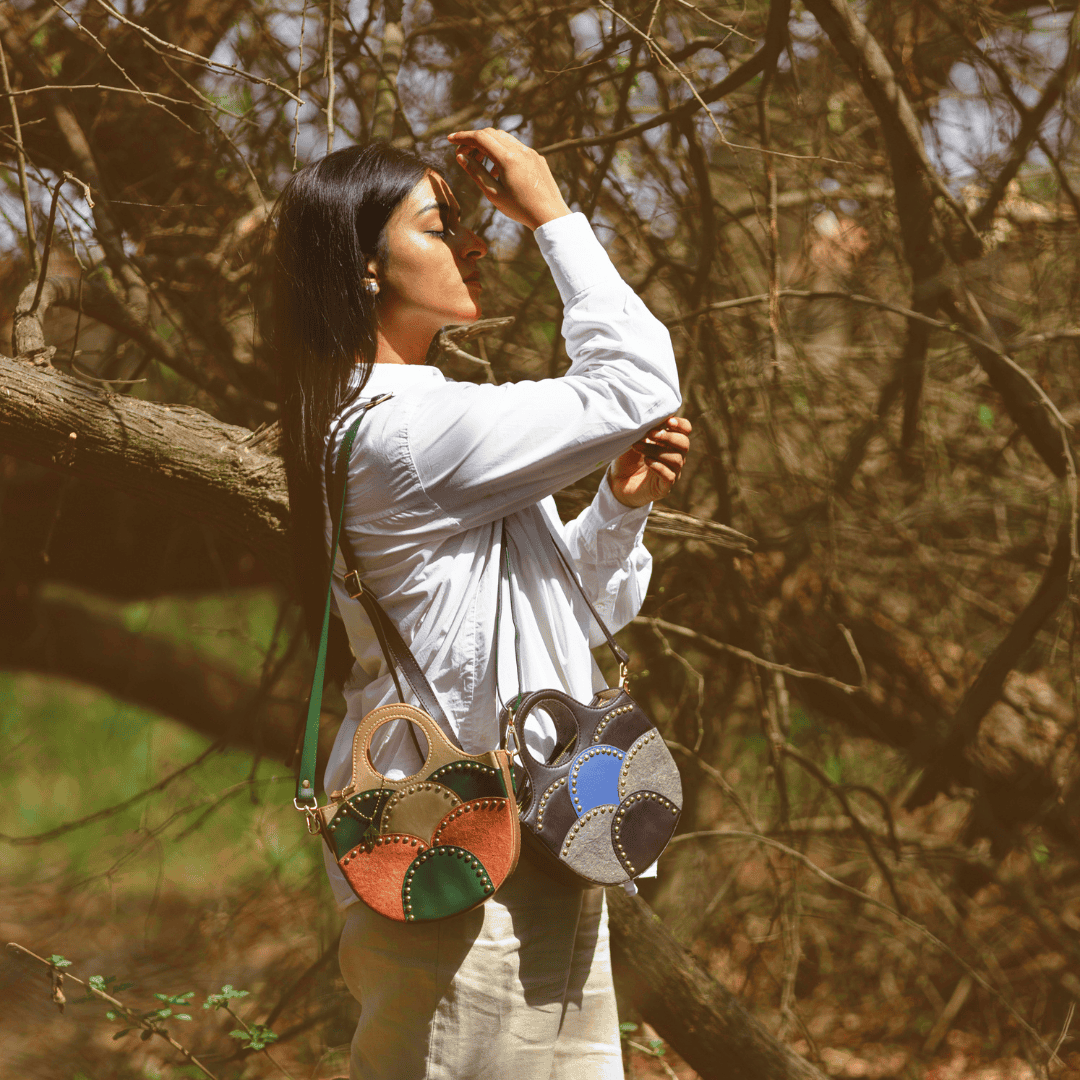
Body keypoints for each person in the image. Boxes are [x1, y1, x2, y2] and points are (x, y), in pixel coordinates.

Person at [269, 126, 691, 1080]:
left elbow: (570, 616)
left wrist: (619, 509)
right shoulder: (408, 432)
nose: (475, 245)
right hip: (464, 854)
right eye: (439, 226)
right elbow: (638, 382)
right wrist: (550, 210)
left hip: (537, 836)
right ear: (365, 267)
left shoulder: (419, 417)